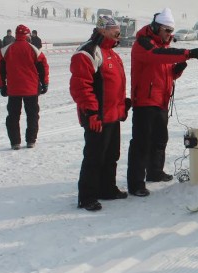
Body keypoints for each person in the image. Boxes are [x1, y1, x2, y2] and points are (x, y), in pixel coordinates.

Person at [127, 8, 198, 197]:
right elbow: (157, 56)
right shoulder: (143, 43)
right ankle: (136, 183)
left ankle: (155, 172)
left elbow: (165, 72)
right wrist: (187, 53)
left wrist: (177, 70)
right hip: (145, 101)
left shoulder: (163, 46)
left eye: (171, 31)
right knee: (141, 143)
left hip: (161, 100)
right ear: (156, 27)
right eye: (166, 30)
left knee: (160, 139)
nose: (169, 34)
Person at [70, 16, 130, 211]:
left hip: (113, 115)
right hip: (97, 116)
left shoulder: (111, 52)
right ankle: (87, 197)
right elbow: (81, 87)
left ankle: (107, 188)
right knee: (94, 156)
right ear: (103, 30)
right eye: (115, 29)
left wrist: (123, 104)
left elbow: (115, 85)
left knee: (111, 155)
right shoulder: (88, 52)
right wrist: (91, 112)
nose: (118, 32)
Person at [0, 24, 49, 150]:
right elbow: (43, 67)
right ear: (27, 35)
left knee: (13, 116)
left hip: (13, 89)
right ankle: (31, 140)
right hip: (31, 88)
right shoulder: (34, 49)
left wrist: (2, 85)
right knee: (32, 115)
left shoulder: (5, 50)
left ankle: (15, 142)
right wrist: (44, 83)